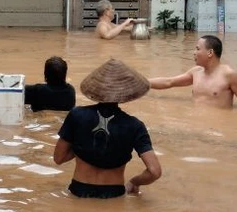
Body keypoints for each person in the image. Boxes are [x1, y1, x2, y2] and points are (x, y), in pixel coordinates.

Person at [53, 58, 162, 198]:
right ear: (126, 93)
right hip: (114, 194)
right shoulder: (135, 126)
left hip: (78, 191)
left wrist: (81, 144)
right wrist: (134, 182)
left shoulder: (77, 115)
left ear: (96, 89)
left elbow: (58, 158)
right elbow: (154, 172)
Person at [148, 35, 237, 109]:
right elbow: (169, 82)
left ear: (210, 53)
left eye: (197, 49)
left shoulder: (229, 75)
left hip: (218, 130)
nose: (194, 53)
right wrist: (141, 82)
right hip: (196, 123)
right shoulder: (196, 72)